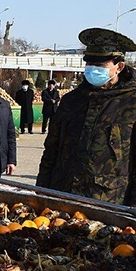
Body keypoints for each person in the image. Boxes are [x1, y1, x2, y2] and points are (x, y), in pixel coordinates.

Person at [37, 28, 136, 205]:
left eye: (100, 65)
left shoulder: (131, 103)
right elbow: (51, 150)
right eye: (89, 64)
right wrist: (41, 191)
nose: (92, 70)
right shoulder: (72, 101)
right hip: (62, 197)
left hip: (108, 203)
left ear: (119, 66)